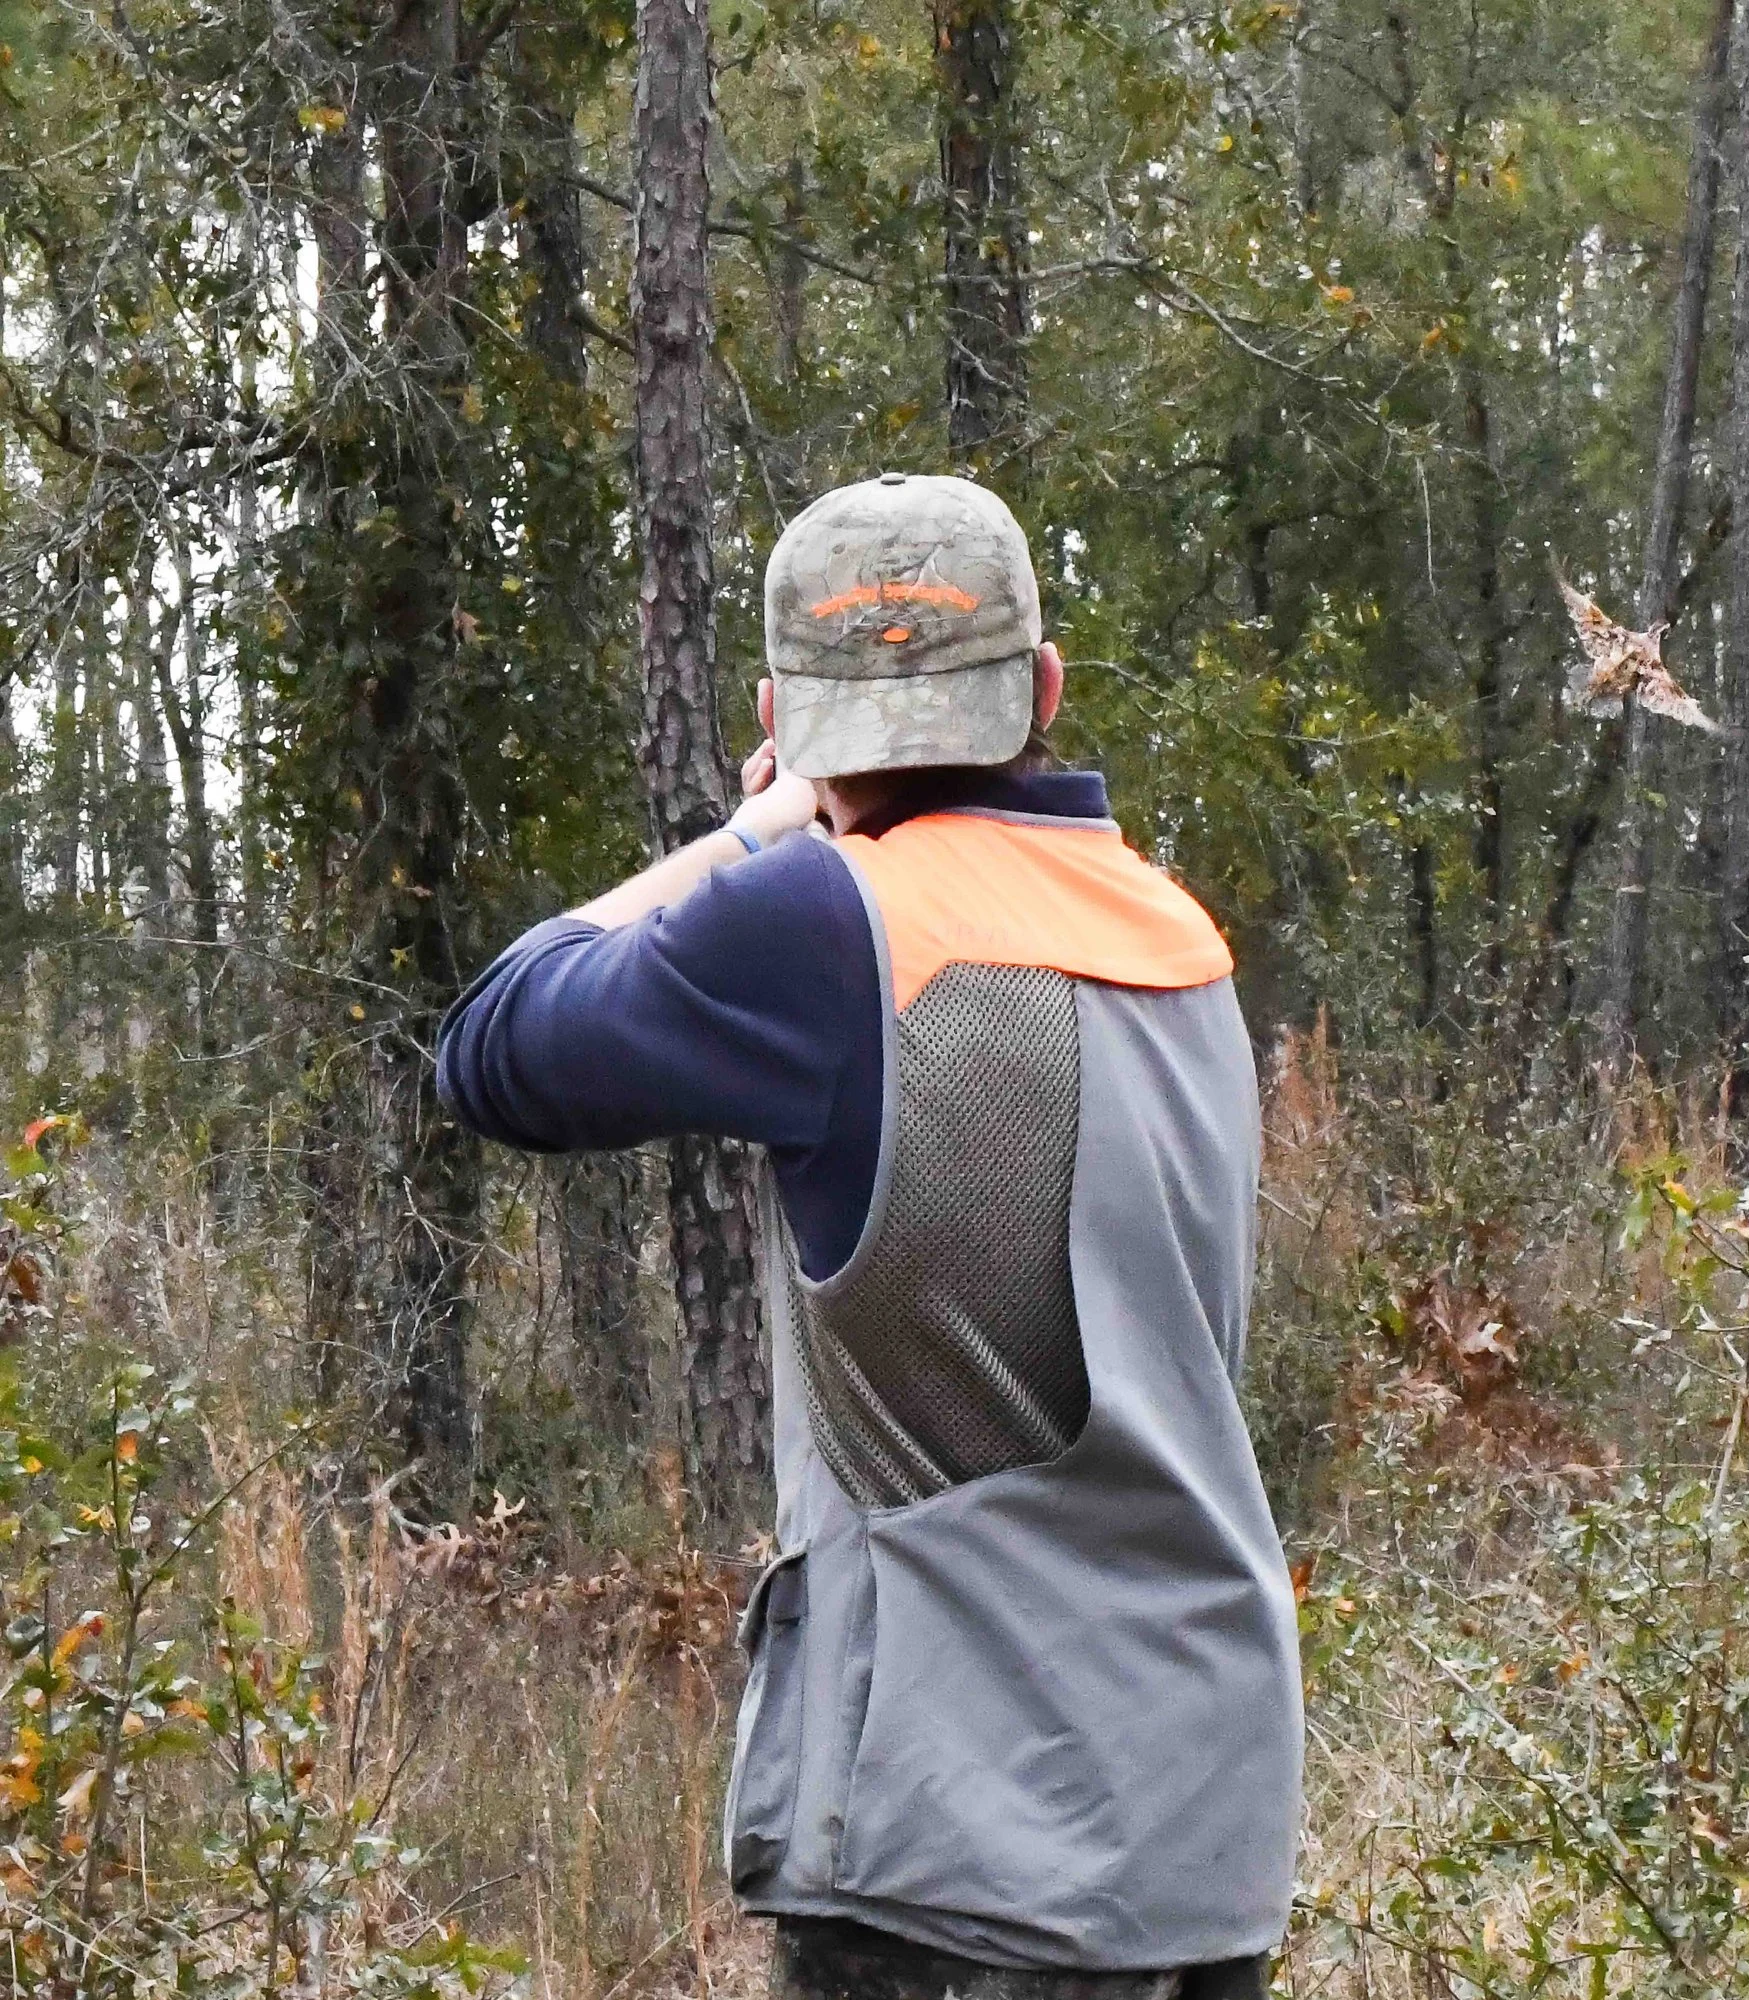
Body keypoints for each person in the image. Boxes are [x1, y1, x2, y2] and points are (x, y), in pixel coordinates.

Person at [437, 472, 1303, 2000]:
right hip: (1203, 1836)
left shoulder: (830, 924)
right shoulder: (1177, 934)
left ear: (782, 712)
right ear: (1043, 688)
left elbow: (495, 1045)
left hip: (961, 1853)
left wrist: (744, 833)